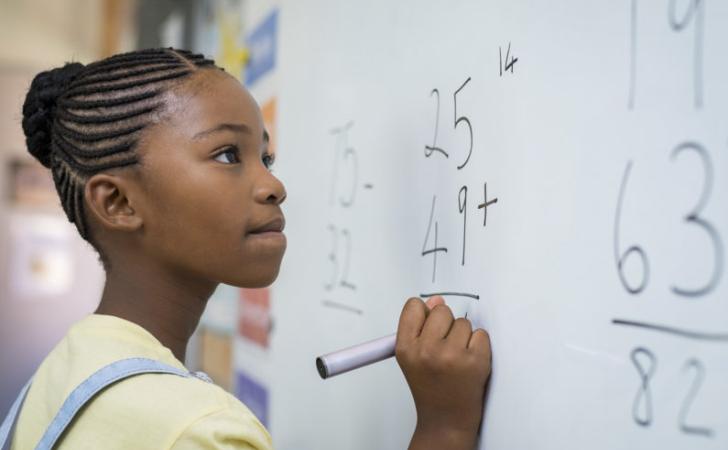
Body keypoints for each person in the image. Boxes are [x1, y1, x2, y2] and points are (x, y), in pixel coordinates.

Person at [2, 48, 492, 450]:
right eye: (227, 155)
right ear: (119, 202)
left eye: (266, 156)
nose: (273, 184)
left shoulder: (62, 374)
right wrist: (444, 428)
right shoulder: (196, 431)